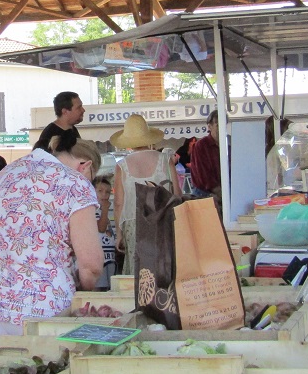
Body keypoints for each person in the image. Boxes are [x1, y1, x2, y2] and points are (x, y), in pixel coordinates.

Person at [0, 131, 103, 334]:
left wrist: (14, 238)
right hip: (47, 307)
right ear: (85, 166)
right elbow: (91, 265)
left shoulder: (9, 172)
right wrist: (86, 289)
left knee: (5, 364)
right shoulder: (76, 183)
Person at [110, 114, 181, 276]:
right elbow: (177, 194)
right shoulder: (165, 159)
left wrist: (119, 233)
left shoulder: (122, 166)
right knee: (164, 266)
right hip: (162, 219)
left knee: (137, 270)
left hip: (133, 222)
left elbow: (119, 203)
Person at [190, 110, 221, 199]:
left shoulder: (227, 145)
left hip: (220, 192)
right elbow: (204, 174)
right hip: (203, 194)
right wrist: (220, 193)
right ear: (209, 126)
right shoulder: (201, 145)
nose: (221, 128)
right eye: (218, 125)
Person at [93, 176, 116, 290]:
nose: (104, 195)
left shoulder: (107, 214)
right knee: (99, 288)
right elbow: (101, 228)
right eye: (100, 191)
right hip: (99, 258)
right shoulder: (94, 210)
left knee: (109, 287)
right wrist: (105, 210)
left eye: (107, 192)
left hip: (109, 256)